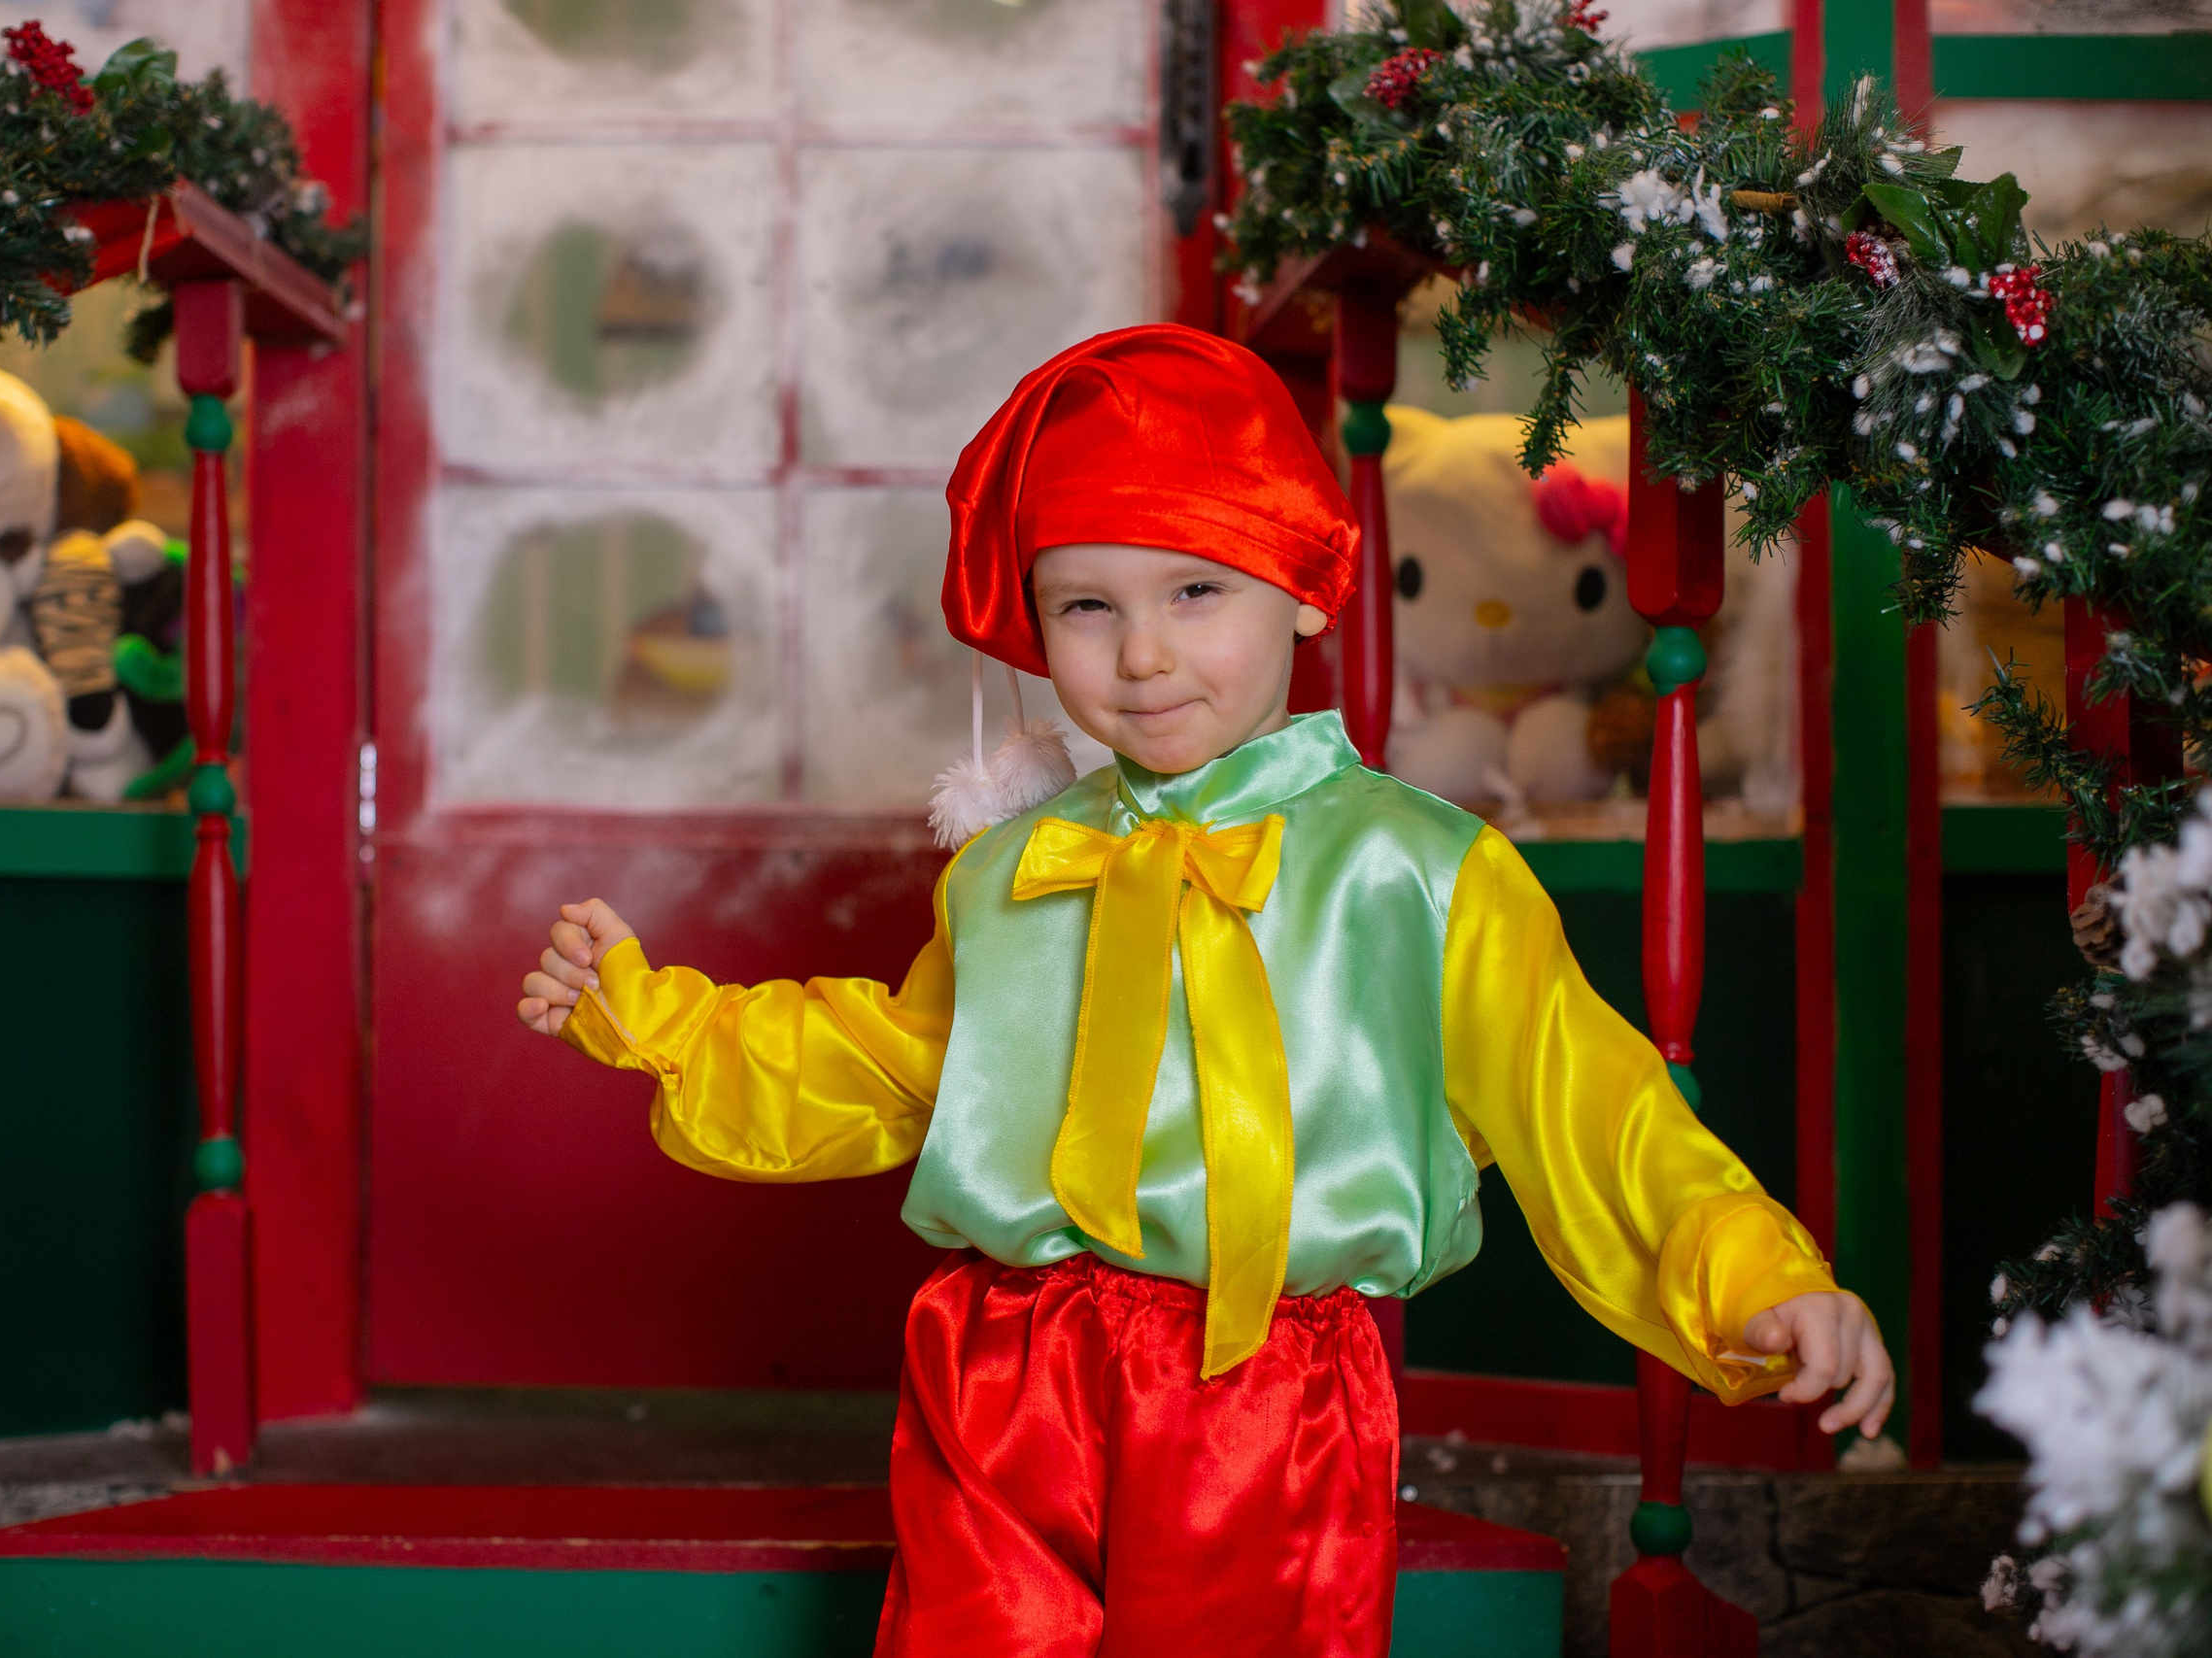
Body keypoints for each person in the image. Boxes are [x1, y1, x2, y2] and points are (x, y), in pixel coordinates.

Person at [517, 325, 1890, 1657]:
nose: (1144, 657)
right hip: (1003, 1368)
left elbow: (1589, 1102)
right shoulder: (1013, 868)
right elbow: (899, 1062)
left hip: (1259, 1391)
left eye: (1195, 593)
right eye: (1087, 607)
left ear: (1301, 584)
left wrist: (1757, 1276)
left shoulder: (1417, 871)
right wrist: (666, 1019)